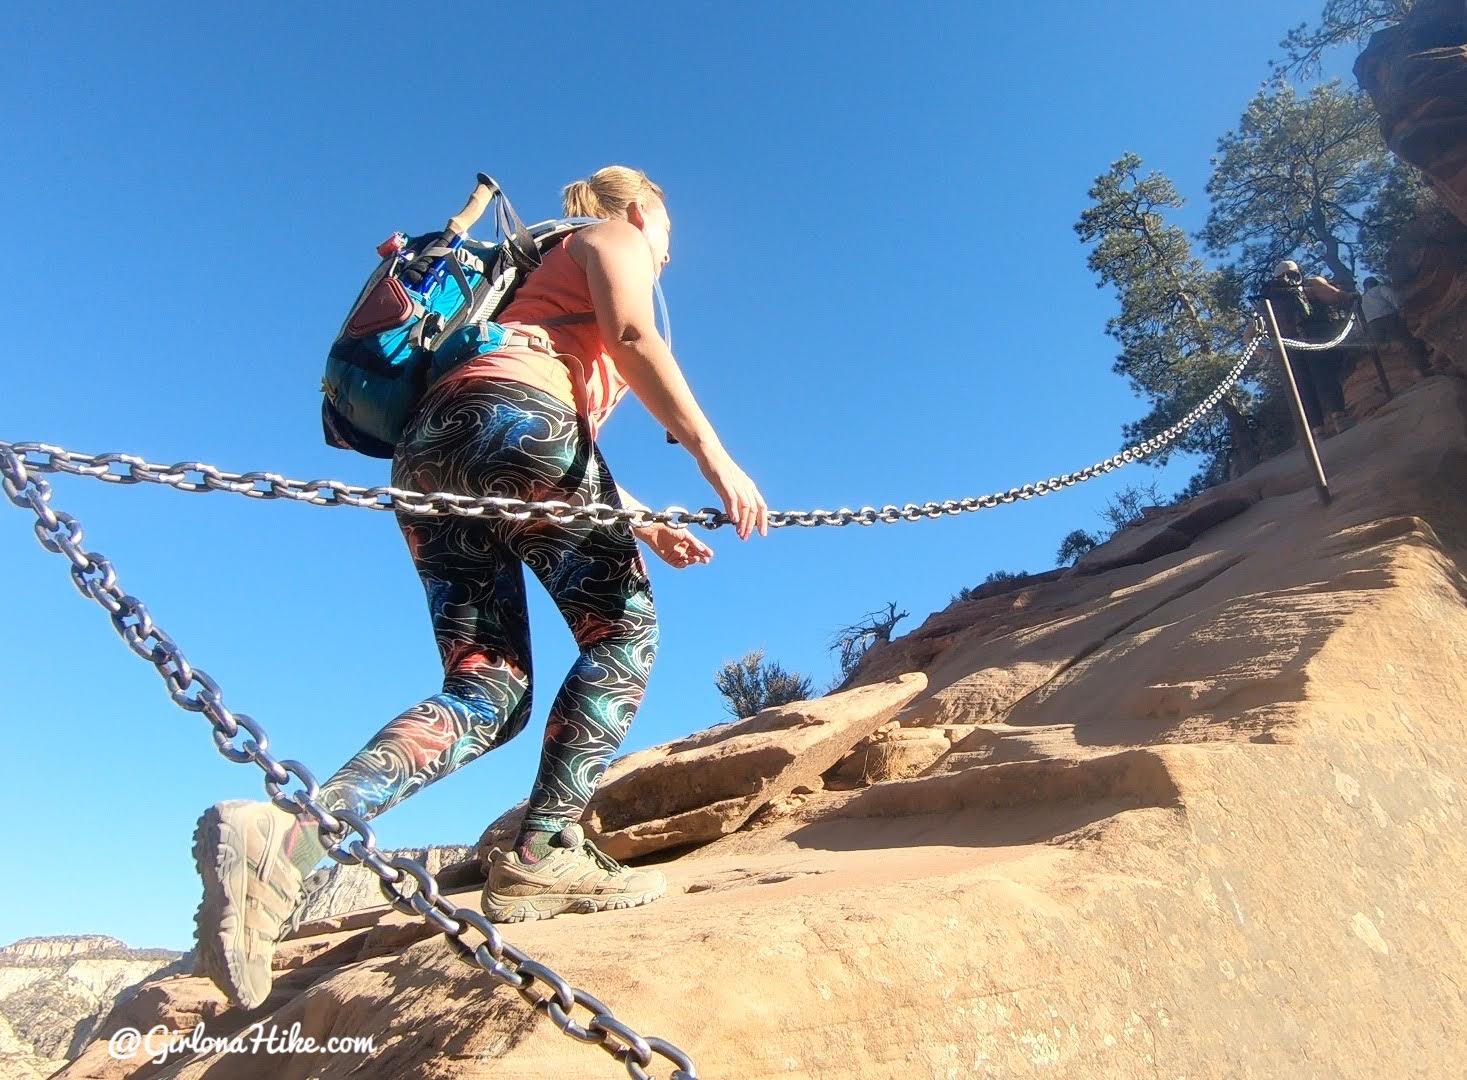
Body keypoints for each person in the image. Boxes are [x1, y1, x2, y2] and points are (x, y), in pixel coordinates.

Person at [191, 166, 770, 1009]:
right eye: (668, 223)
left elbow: (520, 412)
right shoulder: (611, 236)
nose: (671, 242)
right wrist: (718, 460)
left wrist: (641, 520)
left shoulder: (515, 293)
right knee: (622, 636)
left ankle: (290, 838)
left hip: (431, 453)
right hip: (516, 427)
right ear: (643, 207)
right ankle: (542, 853)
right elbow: (635, 338)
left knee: (487, 684)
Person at [1263, 259, 1356, 438]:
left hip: (1288, 347)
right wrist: (1349, 296)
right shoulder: (1309, 285)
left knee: (1304, 388)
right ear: (1297, 271)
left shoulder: (1269, 300)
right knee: (1325, 377)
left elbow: (1249, 335)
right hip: (1313, 337)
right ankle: (1339, 418)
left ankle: (1317, 430)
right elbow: (1334, 296)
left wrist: (1267, 355)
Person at [1360, 276, 1430, 376]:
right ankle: (1421, 367)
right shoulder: (1380, 289)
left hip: (1373, 324)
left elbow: (1361, 314)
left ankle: (1393, 372)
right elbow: (1393, 297)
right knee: (1406, 340)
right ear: (1375, 283)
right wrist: (1401, 308)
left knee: (1380, 346)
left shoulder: (1362, 298)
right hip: (1388, 317)